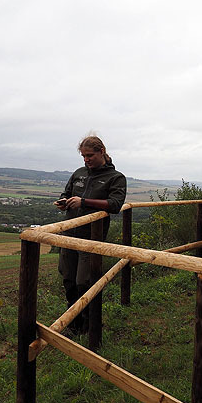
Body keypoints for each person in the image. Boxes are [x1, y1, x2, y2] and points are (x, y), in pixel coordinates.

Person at [55, 134, 127, 333]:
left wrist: (84, 202)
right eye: (83, 156)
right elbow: (67, 193)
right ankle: (74, 323)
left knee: (84, 282)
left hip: (91, 239)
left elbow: (115, 205)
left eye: (90, 156)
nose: (86, 160)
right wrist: (63, 201)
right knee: (69, 280)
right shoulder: (79, 173)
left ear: (101, 152)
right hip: (69, 235)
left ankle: (90, 325)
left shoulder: (116, 178)